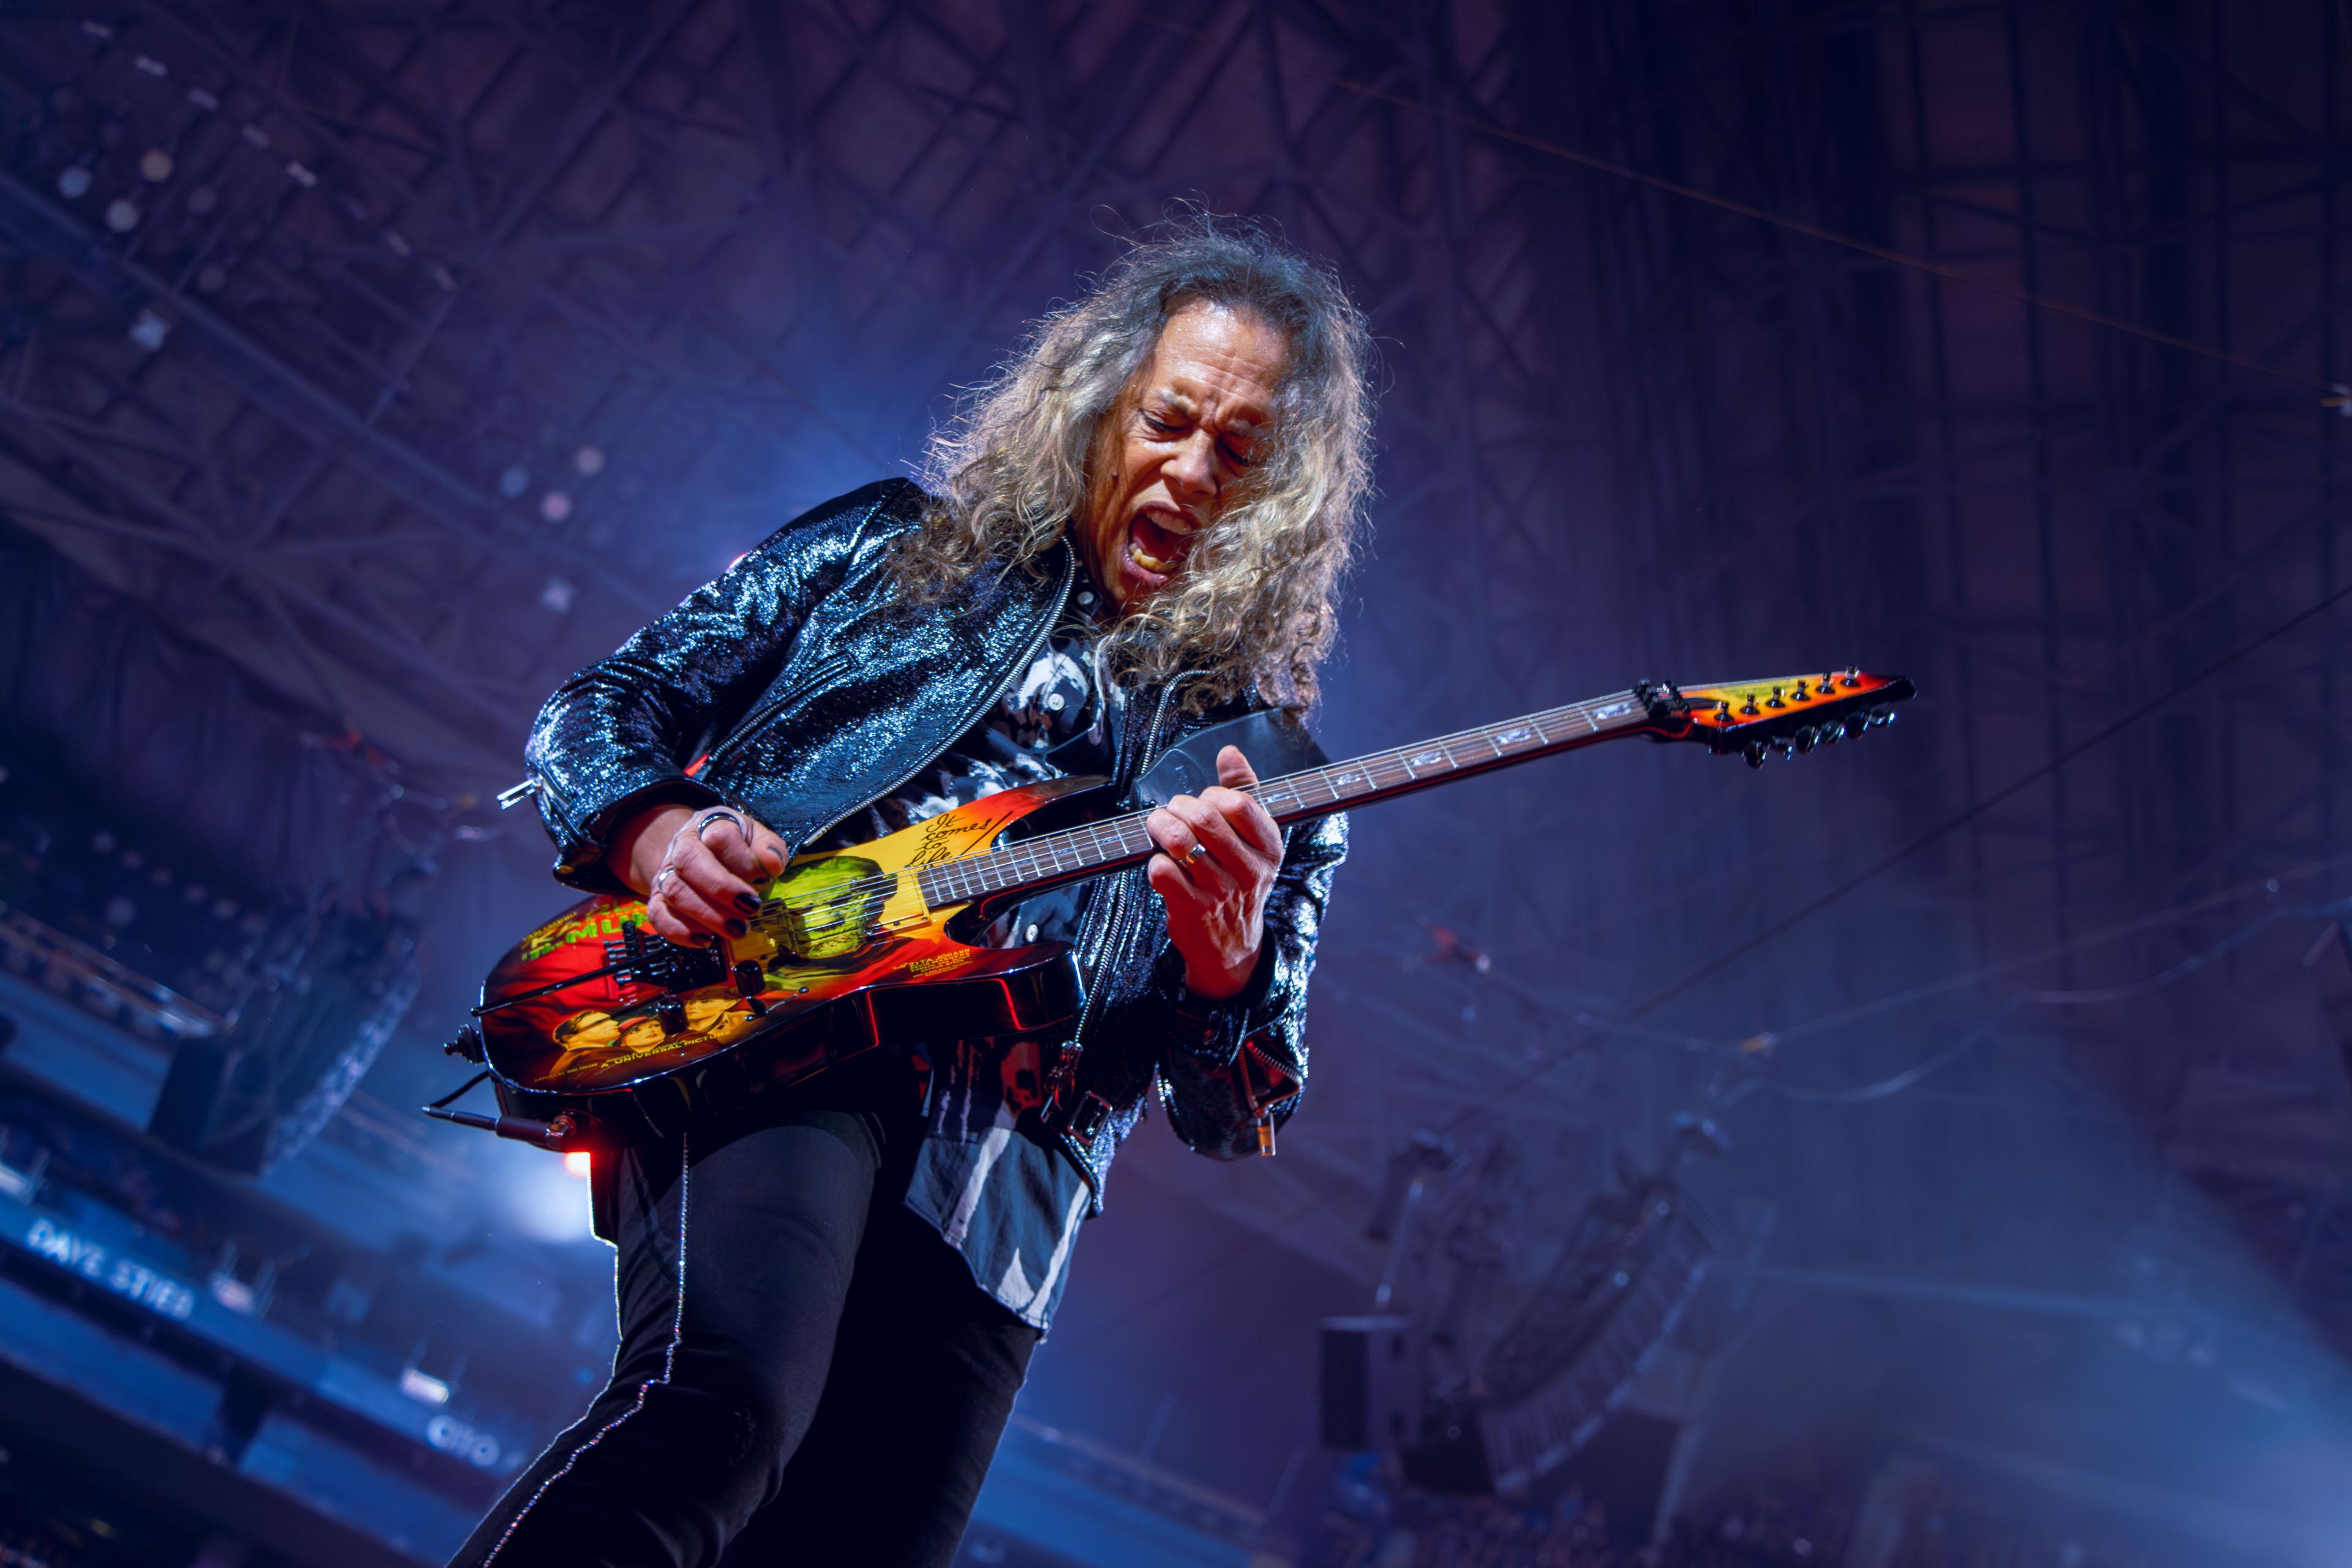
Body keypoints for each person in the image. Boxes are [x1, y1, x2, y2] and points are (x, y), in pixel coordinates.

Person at [451, 218, 1374, 1568]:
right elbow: (604, 705)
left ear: (1282, 496)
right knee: (722, 1411)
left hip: (1009, 1185)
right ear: (1099, 408)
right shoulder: (893, 548)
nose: (1190, 469)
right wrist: (662, 835)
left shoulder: (1277, 777)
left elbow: (1240, 1109)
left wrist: (1224, 963)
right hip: (787, 1027)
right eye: (1168, 421)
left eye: (1239, 452)